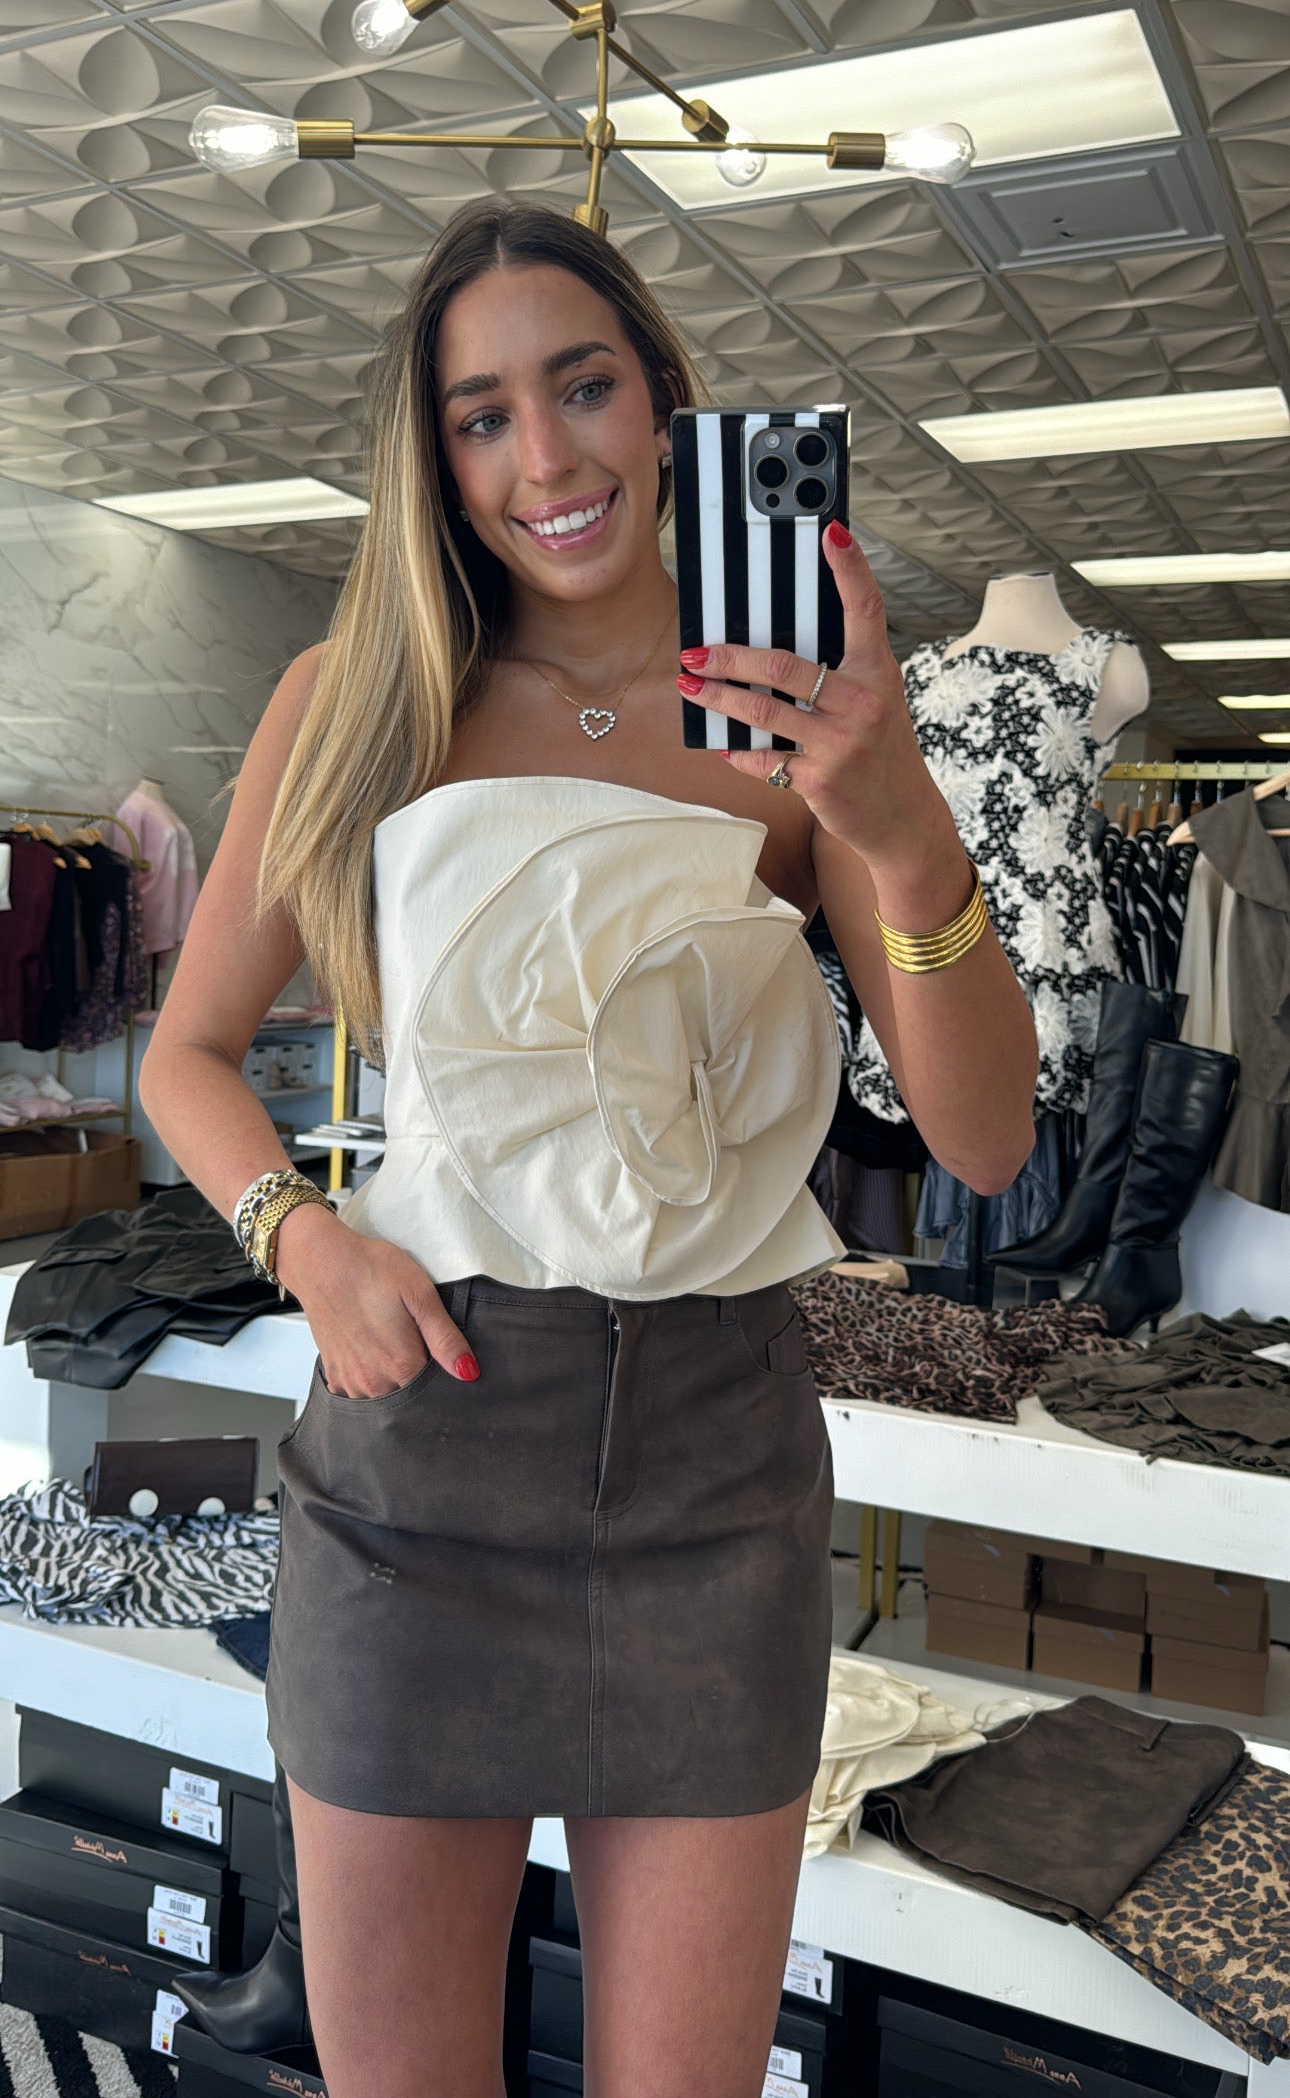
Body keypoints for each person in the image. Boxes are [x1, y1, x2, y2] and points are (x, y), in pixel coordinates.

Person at [140, 198, 1037, 2098]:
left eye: (582, 387)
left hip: (716, 1470)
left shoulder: (792, 713)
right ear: (436, 457)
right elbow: (189, 1057)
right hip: (419, 1453)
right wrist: (302, 1235)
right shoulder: (357, 700)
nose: (543, 458)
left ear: (662, 397)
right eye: (480, 416)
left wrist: (895, 827)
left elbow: (982, 1136)